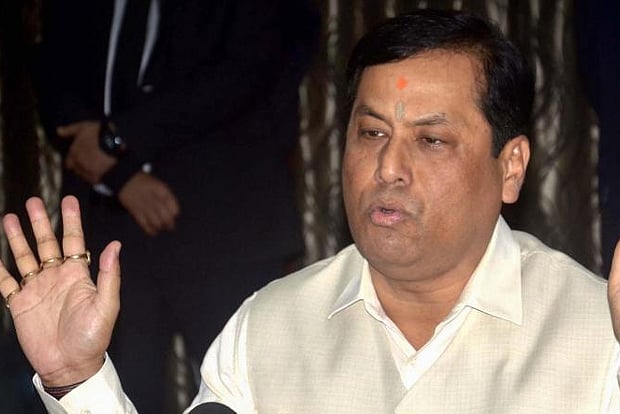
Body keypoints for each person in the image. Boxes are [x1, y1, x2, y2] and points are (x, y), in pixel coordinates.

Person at [2, 8, 620, 413]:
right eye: (371, 133)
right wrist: (77, 380)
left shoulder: (597, 331)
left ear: (510, 167)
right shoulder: (270, 326)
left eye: (431, 140)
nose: (388, 168)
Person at [32, 0, 316, 411]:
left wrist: (118, 137)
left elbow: (251, 65)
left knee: (255, 393)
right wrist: (121, 177)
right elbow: (54, 72)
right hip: (110, 228)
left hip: (225, 219)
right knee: (113, 390)